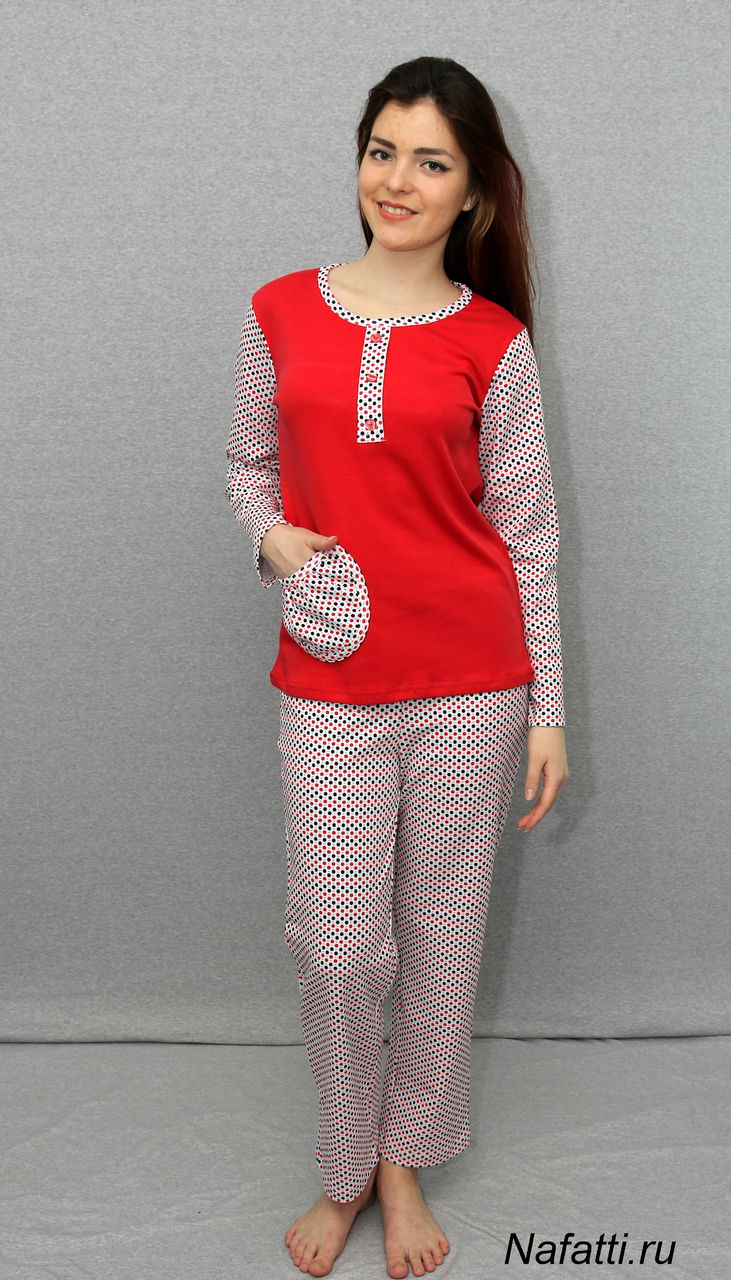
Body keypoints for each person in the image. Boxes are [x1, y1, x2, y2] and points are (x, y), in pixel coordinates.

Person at [225, 55, 570, 1280]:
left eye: (431, 161)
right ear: (358, 160)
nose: (398, 181)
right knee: (337, 946)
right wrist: (270, 536)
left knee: (441, 934)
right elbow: (246, 462)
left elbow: (527, 533)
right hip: (330, 679)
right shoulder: (279, 309)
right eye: (382, 151)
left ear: (472, 191)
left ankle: (402, 1162)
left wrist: (548, 709)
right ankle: (341, 1161)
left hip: (474, 681)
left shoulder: (493, 341)